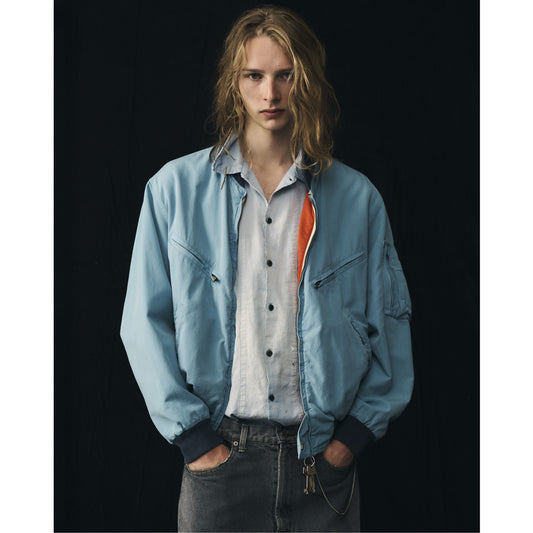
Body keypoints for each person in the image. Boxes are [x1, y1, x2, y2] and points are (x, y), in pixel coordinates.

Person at [120, 5, 414, 532]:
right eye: (254, 76)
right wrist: (196, 442)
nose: (270, 93)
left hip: (322, 465)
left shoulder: (358, 199)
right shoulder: (172, 191)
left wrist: (349, 443)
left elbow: (390, 330)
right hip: (218, 463)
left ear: (307, 80)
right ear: (234, 84)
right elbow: (142, 324)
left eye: (285, 75)